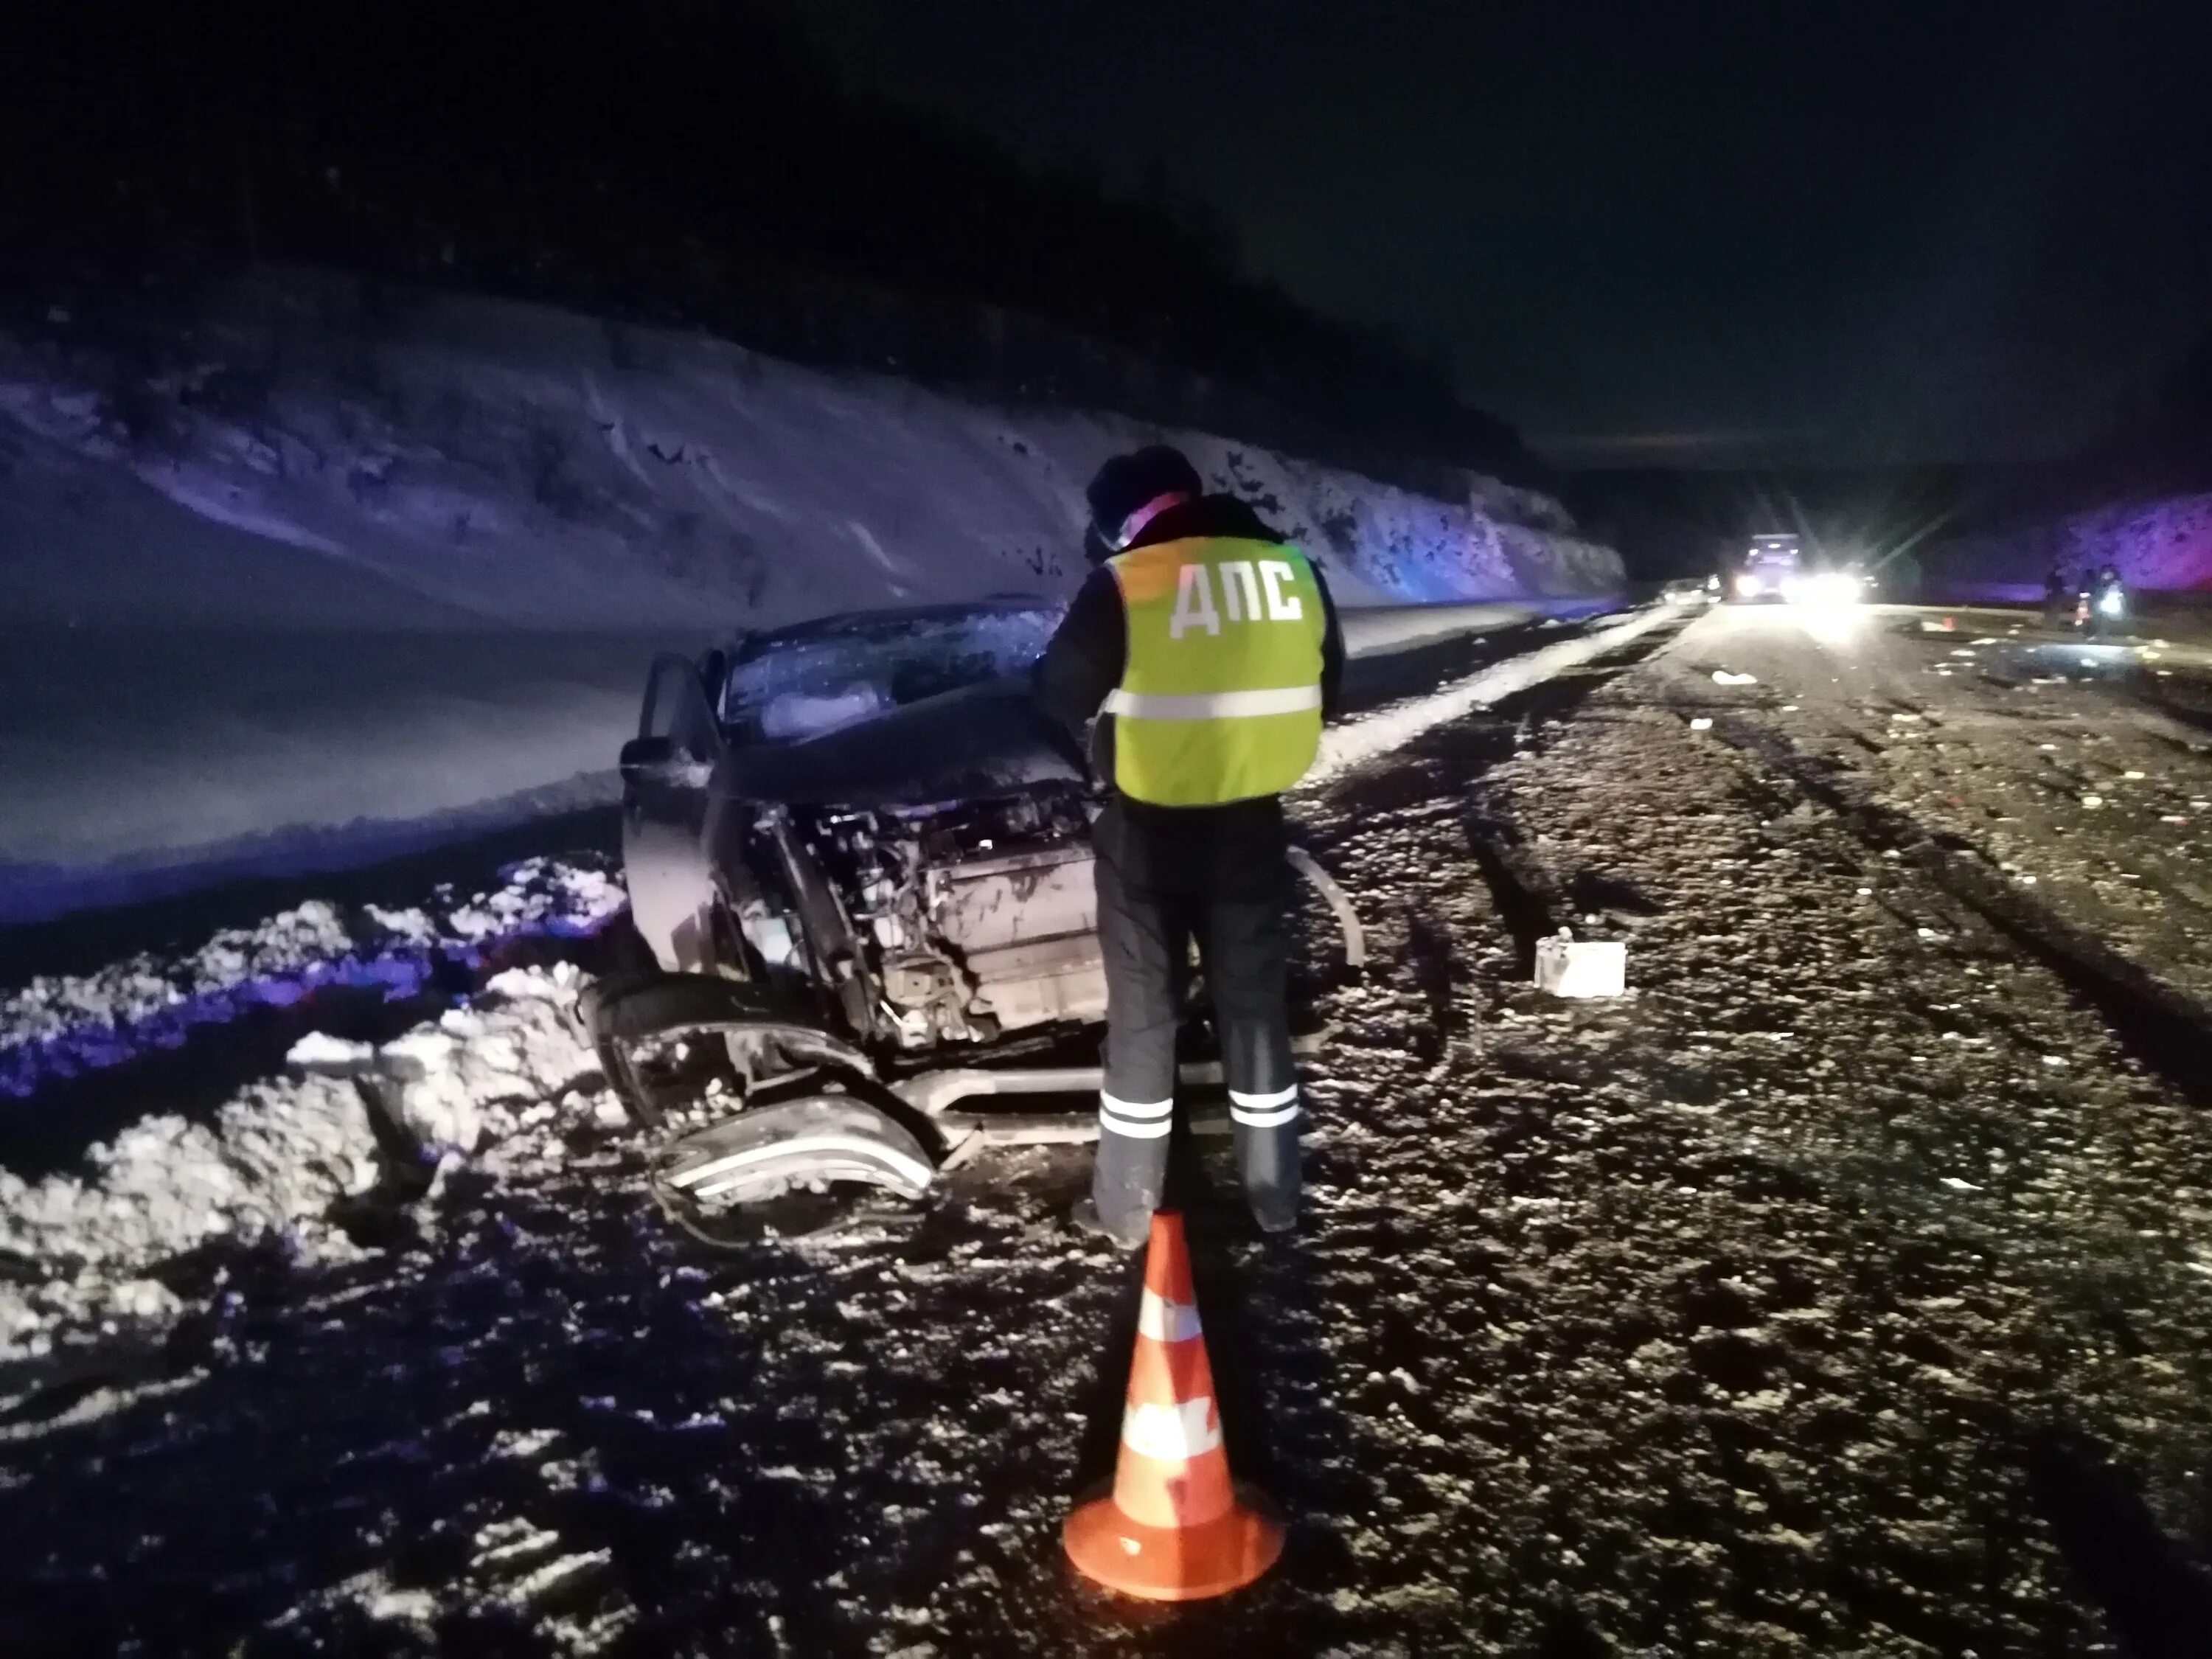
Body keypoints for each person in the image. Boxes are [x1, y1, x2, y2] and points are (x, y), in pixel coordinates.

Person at [1034, 445, 1344, 1247]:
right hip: (1250, 825)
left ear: (1120, 520)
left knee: (1144, 1019)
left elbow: (1055, 698)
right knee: (1253, 1012)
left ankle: (1127, 1210)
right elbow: (1326, 686)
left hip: (1147, 834)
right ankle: (1276, 1197)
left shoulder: (1125, 582)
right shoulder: (1294, 573)